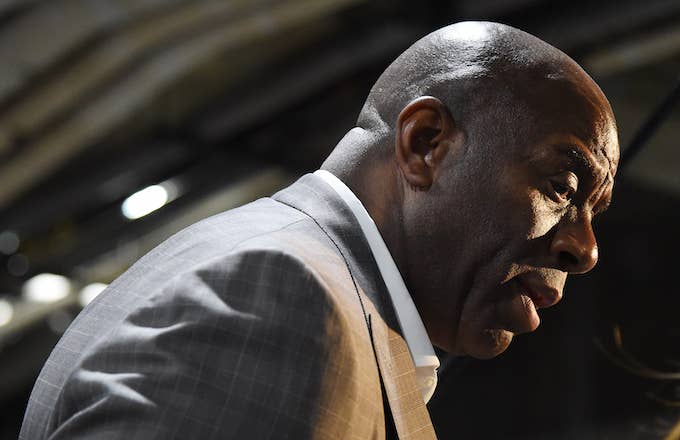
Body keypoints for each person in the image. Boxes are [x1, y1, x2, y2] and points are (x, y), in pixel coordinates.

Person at [20, 21, 619, 439]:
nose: (584, 248)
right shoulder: (281, 301)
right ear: (426, 144)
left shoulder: (299, 283)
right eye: (562, 188)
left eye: (595, 211)